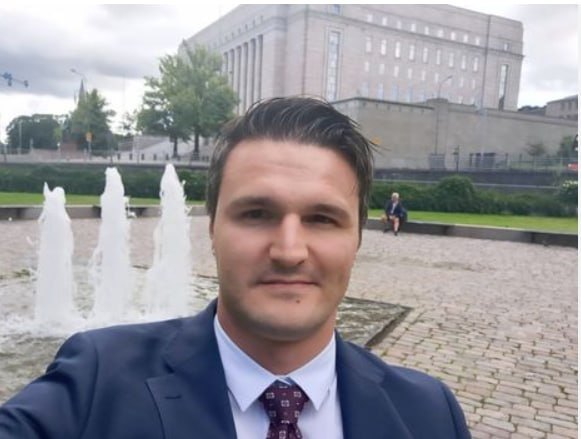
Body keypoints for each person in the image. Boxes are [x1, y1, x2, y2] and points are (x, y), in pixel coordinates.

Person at [0, 97, 470, 438]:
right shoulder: (95, 380)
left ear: (357, 238)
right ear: (212, 229)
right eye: (257, 214)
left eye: (322, 219)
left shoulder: (430, 414)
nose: (289, 251)